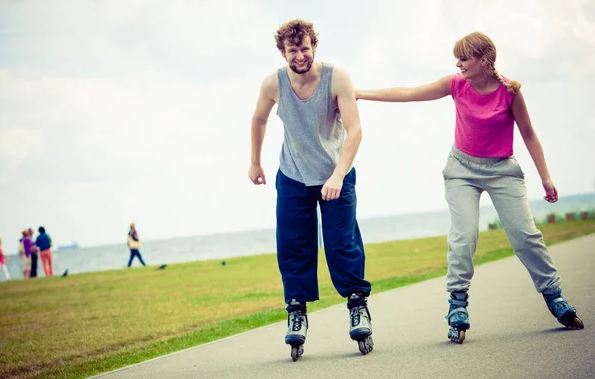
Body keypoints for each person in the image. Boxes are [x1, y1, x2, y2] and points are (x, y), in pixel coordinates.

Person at [355, 32, 584, 343]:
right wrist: (359, 93)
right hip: (462, 170)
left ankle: (554, 296)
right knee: (465, 237)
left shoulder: (510, 92)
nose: (458, 63)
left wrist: (545, 177)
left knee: (526, 237)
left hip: (503, 170)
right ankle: (457, 303)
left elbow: (528, 134)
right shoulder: (456, 84)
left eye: (464, 58)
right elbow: (409, 92)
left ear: (484, 60)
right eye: (457, 58)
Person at [249, 19, 373, 361]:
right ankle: (296, 311)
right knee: (293, 245)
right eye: (293, 50)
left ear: (314, 46)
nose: (300, 55)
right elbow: (258, 119)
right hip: (292, 176)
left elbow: (355, 129)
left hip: (337, 173)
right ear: (282, 52)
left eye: (305, 48)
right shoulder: (273, 83)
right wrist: (255, 162)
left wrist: (338, 175)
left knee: (341, 244)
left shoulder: (338, 78)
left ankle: (357, 306)